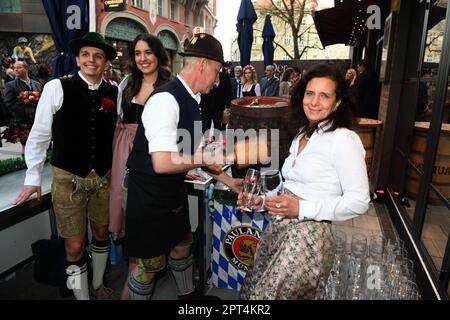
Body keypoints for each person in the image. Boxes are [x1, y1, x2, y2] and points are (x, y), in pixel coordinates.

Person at [124, 33, 242, 300]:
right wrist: (203, 160)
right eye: (216, 71)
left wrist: (228, 181)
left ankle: (188, 299)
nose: (217, 79)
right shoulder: (165, 99)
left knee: (182, 246)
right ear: (202, 65)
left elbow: (196, 153)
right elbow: (163, 162)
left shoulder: (194, 100)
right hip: (149, 196)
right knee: (148, 267)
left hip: (172, 190)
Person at [239, 64, 370, 300]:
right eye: (310, 93)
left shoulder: (344, 139)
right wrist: (262, 201)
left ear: (338, 102)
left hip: (306, 241)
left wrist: (302, 208)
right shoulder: (302, 133)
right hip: (279, 229)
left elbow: (359, 201)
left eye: (324, 96)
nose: (314, 102)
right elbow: (291, 187)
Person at [13, 32, 119, 300]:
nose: (91, 60)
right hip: (67, 178)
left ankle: (97, 285)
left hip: (103, 178)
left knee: (101, 232)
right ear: (77, 58)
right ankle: (81, 297)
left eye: (97, 56)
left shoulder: (114, 91)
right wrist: (32, 177)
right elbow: (39, 135)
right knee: (74, 245)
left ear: (105, 61)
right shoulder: (56, 88)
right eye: (85, 55)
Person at [107, 33, 172, 299]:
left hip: (153, 151)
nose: (143, 59)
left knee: (148, 210)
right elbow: (118, 119)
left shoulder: (168, 86)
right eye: (137, 53)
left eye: (148, 52)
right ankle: (136, 262)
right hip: (124, 150)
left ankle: (146, 261)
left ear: (158, 54)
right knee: (124, 204)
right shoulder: (127, 83)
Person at [3, 60, 43, 151]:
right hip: (22, 121)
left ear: (26, 68)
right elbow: (8, 103)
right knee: (26, 145)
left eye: (19, 67)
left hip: (38, 120)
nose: (16, 70)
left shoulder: (37, 84)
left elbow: (43, 100)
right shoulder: (10, 85)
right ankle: (25, 163)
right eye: (14, 68)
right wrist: (24, 110)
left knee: (39, 144)